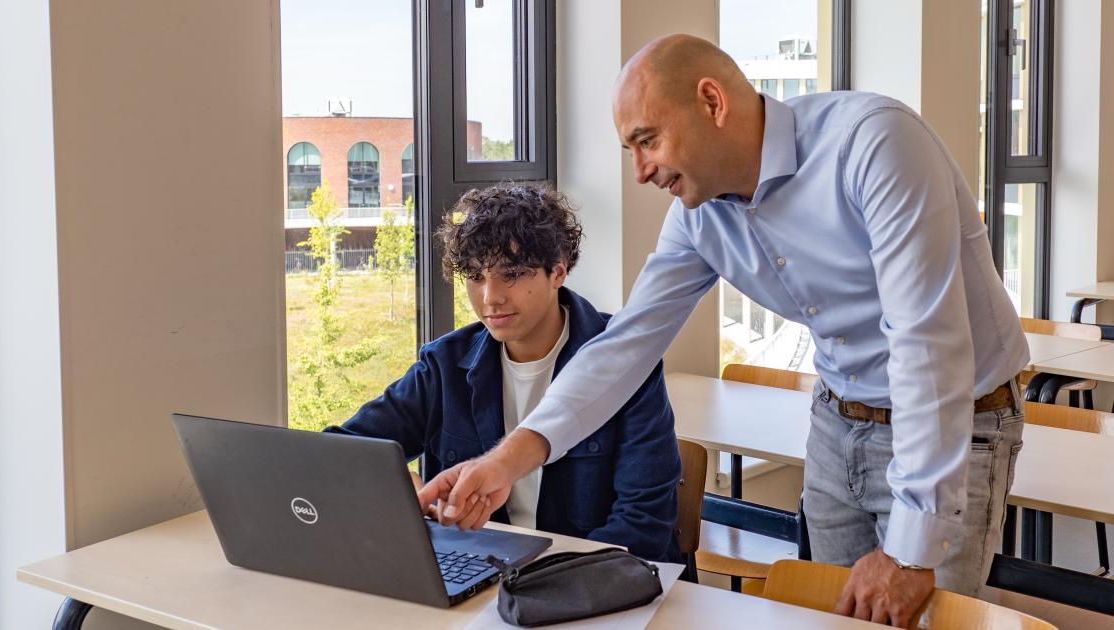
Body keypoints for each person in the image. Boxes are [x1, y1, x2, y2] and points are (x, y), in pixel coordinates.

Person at [419, 35, 1028, 626]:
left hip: (958, 422)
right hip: (836, 420)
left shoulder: (874, 144)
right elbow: (624, 349)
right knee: (835, 620)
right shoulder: (698, 216)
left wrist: (908, 551)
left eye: (647, 140)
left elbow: (926, 347)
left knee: (922, 615)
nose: (639, 171)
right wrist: (505, 464)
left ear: (712, 102)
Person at [325, 184, 681, 562]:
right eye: (476, 277)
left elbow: (642, 527)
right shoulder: (444, 365)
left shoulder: (627, 363)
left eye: (511, 274)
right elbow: (342, 449)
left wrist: (537, 583)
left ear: (557, 272)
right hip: (485, 572)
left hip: (590, 583)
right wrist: (410, 493)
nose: (490, 297)